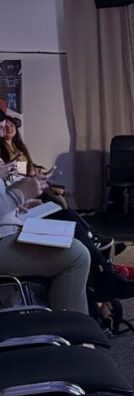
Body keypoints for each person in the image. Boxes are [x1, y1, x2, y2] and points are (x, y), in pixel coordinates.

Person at [0, 110, 90, 314]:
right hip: (4, 238)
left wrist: (20, 203)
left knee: (69, 234)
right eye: (1, 128)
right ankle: (71, 327)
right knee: (77, 254)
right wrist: (19, 196)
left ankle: (94, 302)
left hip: (10, 228)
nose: (3, 132)